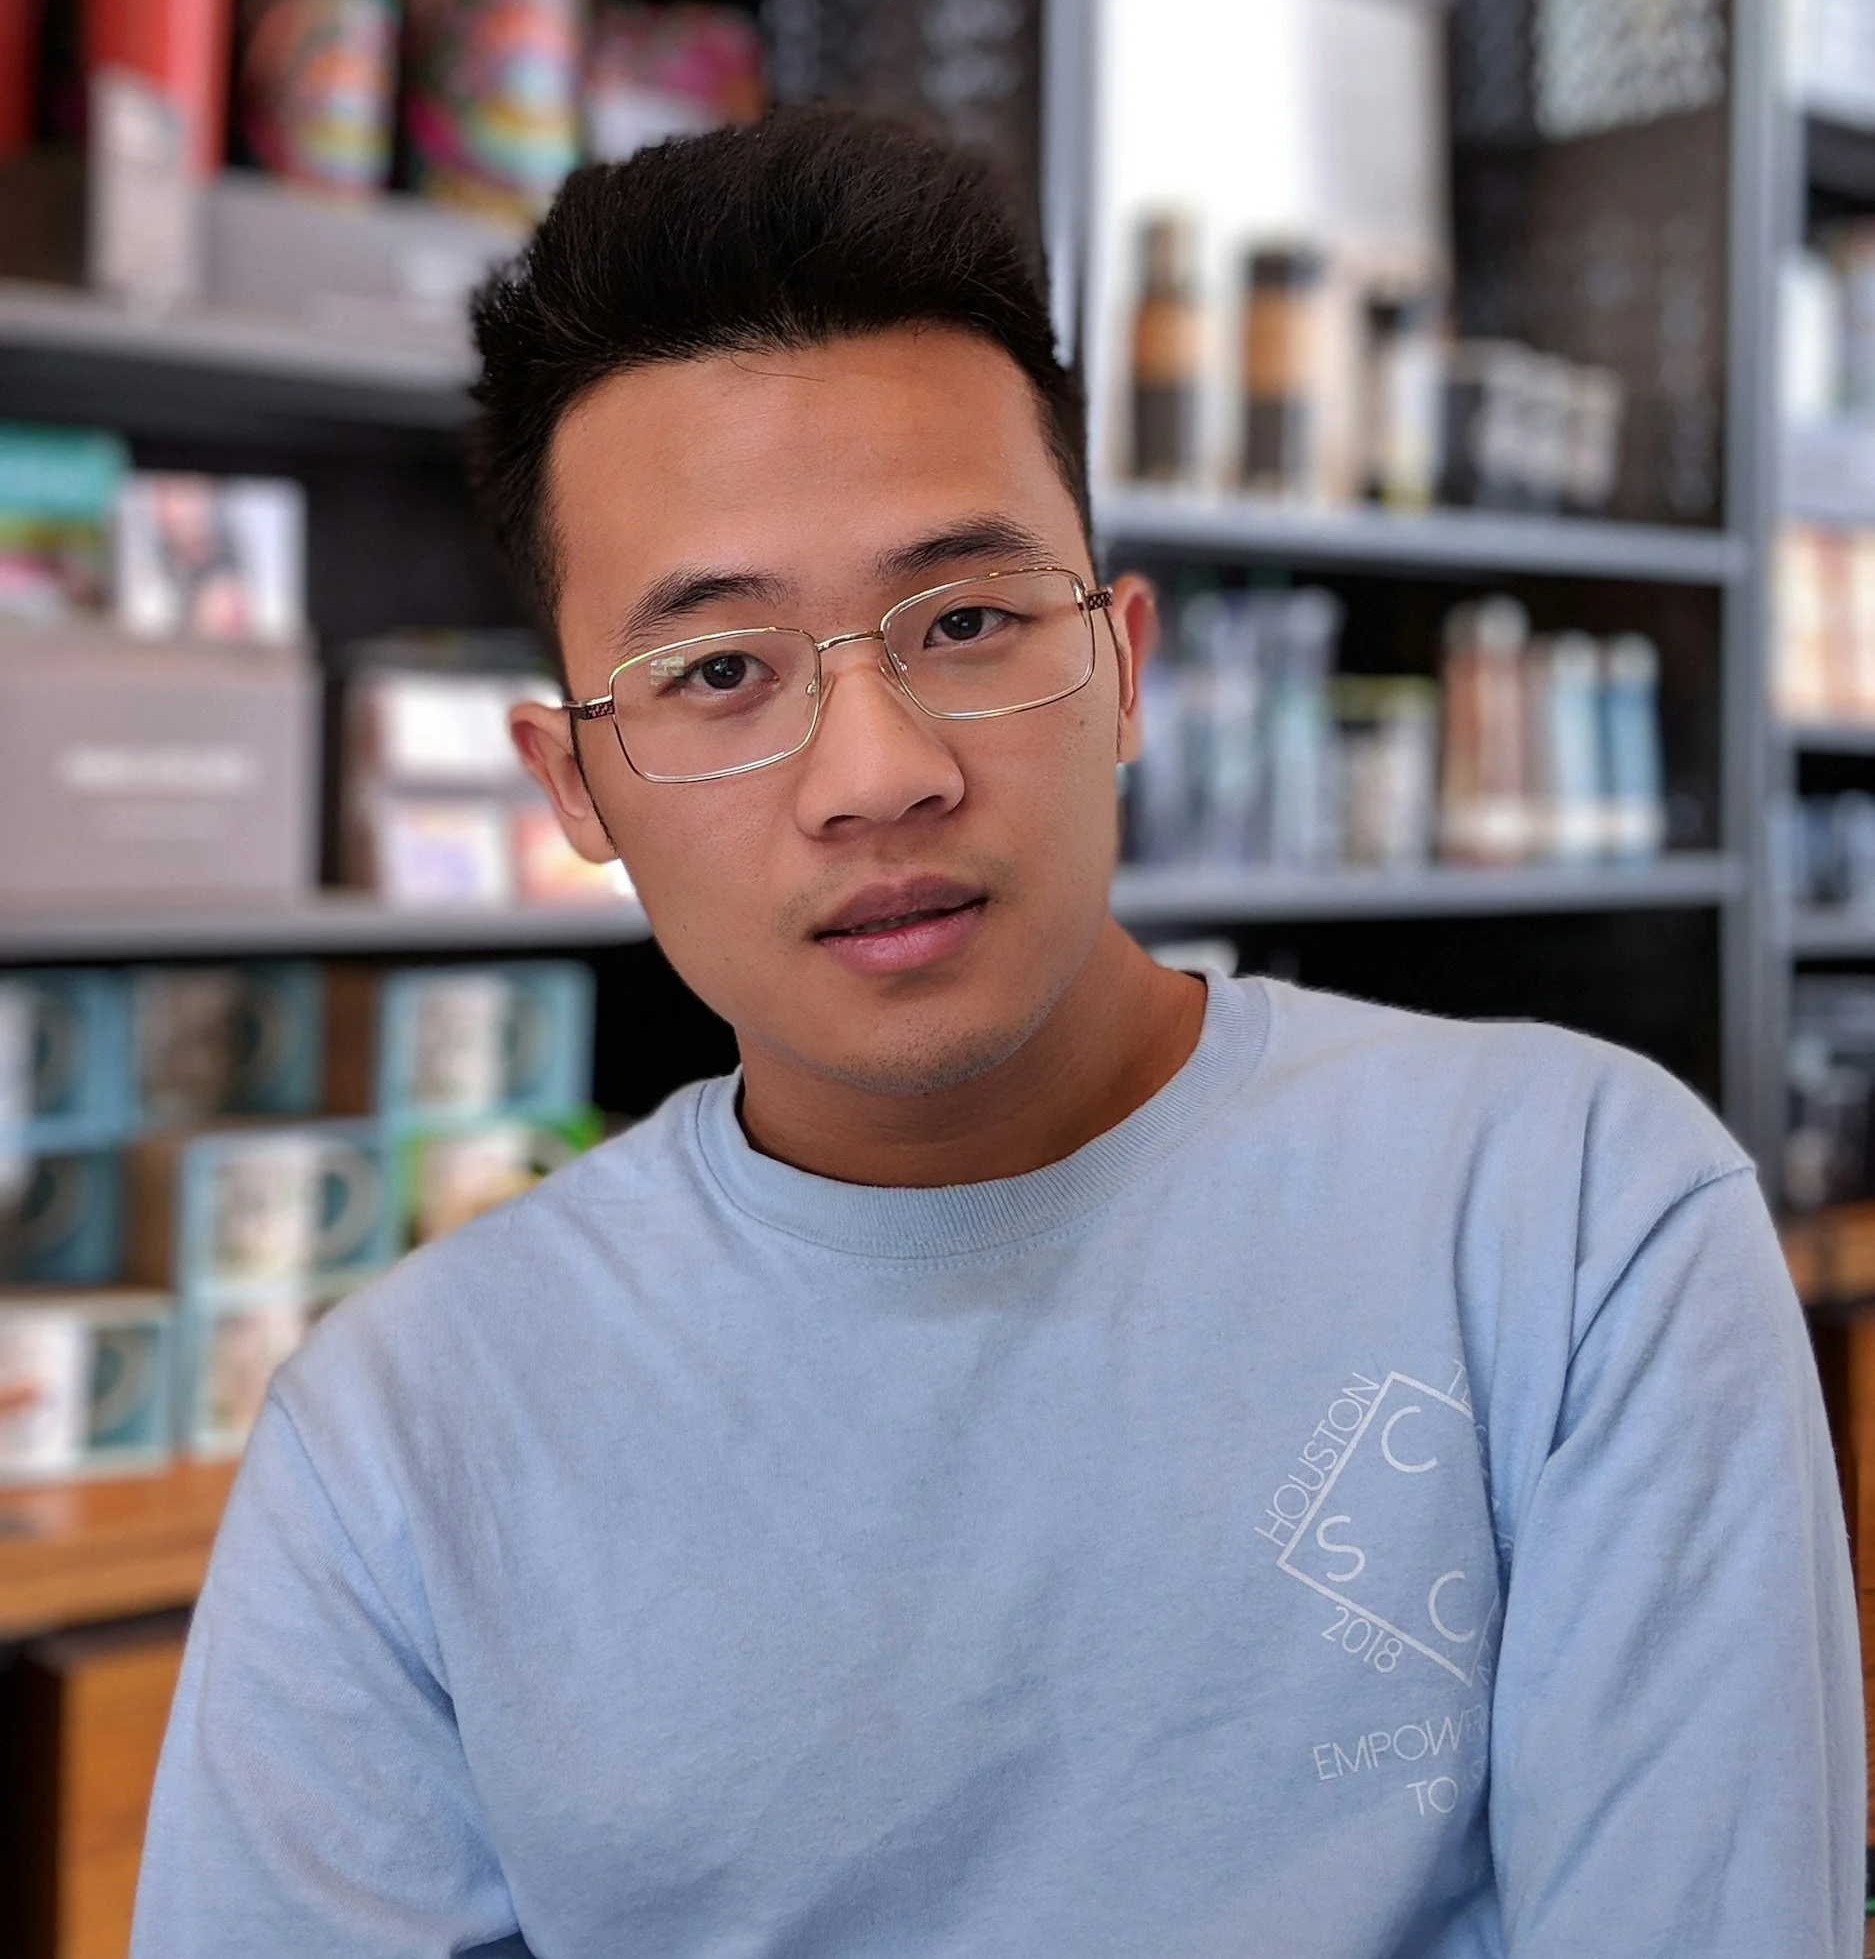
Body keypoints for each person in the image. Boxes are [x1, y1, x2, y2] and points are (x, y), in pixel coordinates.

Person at [133, 110, 1861, 1957]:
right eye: (718, 673)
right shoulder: (402, 1438)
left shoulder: (1568, 1216)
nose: (877, 776)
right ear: (575, 784)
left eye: (963, 620)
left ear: (1122, 668)